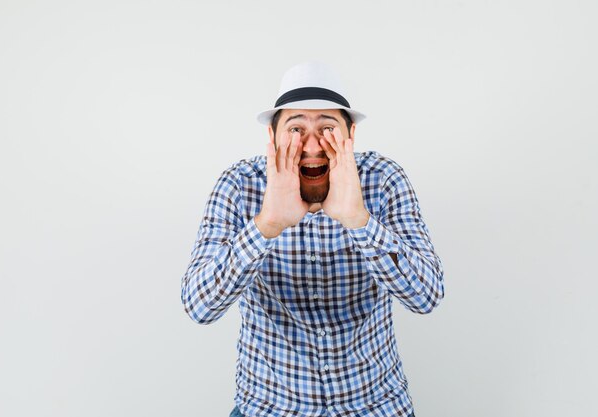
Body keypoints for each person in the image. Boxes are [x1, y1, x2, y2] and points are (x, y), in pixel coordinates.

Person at [181, 62, 444, 417]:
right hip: (269, 408)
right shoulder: (239, 184)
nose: (312, 144)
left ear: (351, 136)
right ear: (272, 138)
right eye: (296, 128)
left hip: (376, 407)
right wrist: (267, 224)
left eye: (327, 128)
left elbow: (426, 297)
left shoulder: (383, 179)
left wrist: (359, 220)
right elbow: (199, 306)